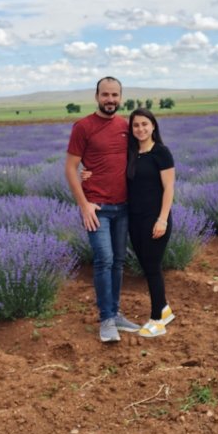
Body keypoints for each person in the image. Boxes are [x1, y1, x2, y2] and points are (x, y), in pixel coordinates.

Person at [65, 77, 142, 343]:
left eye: (115, 95)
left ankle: (116, 313)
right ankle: (106, 319)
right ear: (97, 96)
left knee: (119, 262)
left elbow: (140, 157)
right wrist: (84, 204)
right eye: (105, 94)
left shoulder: (125, 126)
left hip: (124, 207)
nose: (110, 99)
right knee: (104, 260)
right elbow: (70, 168)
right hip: (97, 208)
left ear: (121, 97)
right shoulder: (83, 126)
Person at [125, 108, 176, 338]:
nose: (141, 129)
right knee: (147, 267)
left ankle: (157, 321)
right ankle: (164, 309)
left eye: (145, 124)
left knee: (153, 269)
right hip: (134, 220)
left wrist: (162, 219)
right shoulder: (132, 153)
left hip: (155, 220)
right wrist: (88, 174)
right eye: (136, 125)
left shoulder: (161, 153)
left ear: (153, 126)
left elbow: (169, 189)